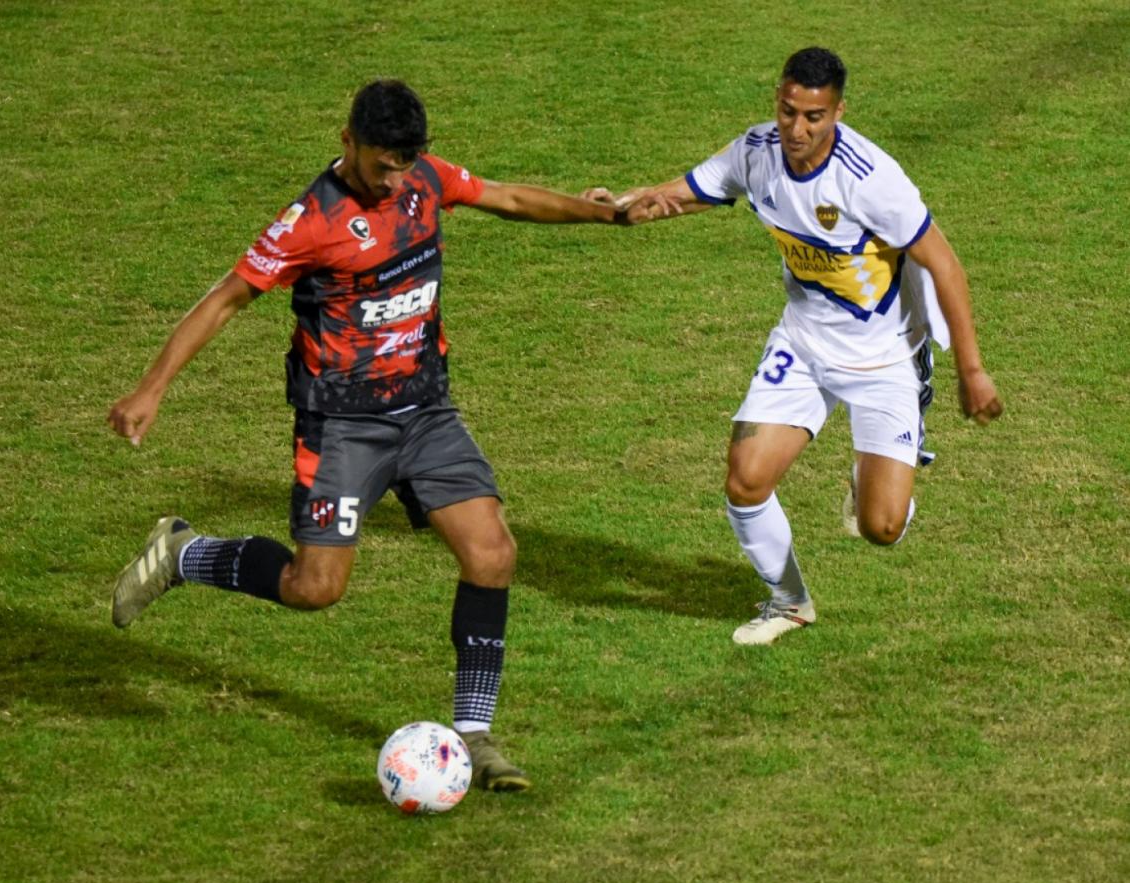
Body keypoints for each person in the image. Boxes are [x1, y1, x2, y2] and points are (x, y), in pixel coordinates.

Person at [107, 79, 625, 790]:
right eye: (383, 164)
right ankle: (183, 553)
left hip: (426, 411)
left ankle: (473, 733)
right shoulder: (308, 224)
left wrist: (595, 214)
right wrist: (151, 387)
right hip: (344, 427)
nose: (395, 179)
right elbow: (227, 299)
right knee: (313, 588)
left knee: (493, 553)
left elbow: (504, 196)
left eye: (406, 164)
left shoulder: (423, 183)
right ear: (346, 141)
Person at [587, 47, 1002, 645]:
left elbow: (945, 266)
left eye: (814, 117)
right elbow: (686, 191)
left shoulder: (870, 180)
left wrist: (973, 370)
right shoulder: (756, 153)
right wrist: (626, 206)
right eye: (788, 112)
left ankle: (874, 484)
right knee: (746, 478)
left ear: (837, 112)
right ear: (777, 102)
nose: (798, 129)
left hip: (885, 359)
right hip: (804, 346)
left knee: (880, 528)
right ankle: (789, 603)